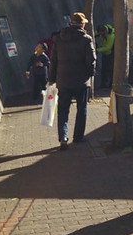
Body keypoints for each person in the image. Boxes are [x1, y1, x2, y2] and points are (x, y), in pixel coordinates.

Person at [48, 11, 96, 151]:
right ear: (82, 24)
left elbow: (54, 60)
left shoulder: (59, 39)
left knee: (63, 110)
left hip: (63, 80)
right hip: (81, 80)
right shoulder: (86, 39)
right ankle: (78, 136)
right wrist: (90, 74)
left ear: (70, 23)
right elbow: (91, 60)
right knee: (82, 109)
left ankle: (63, 137)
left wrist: (51, 79)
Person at [96, 24, 115, 89]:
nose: (100, 35)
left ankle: (111, 84)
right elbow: (95, 33)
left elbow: (108, 47)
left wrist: (97, 50)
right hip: (104, 54)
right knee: (103, 70)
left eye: (101, 33)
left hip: (110, 54)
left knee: (110, 70)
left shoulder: (111, 36)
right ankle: (103, 84)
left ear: (104, 31)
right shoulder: (102, 34)